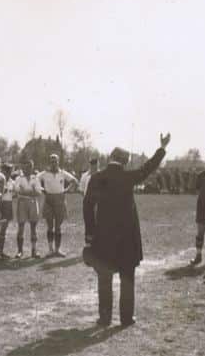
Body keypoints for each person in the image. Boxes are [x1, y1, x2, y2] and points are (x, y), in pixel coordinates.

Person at [83, 133, 170, 327]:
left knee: (104, 279)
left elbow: (87, 206)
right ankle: (126, 318)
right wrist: (162, 148)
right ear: (125, 161)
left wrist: (89, 234)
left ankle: (104, 317)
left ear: (110, 158)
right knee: (127, 278)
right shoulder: (128, 176)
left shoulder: (97, 177)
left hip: (103, 236)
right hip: (126, 237)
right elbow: (148, 168)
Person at [38, 154, 79, 257]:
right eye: (51, 161)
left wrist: (66, 190)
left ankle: (57, 250)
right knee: (50, 227)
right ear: (49, 163)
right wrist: (42, 189)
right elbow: (35, 180)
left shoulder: (62, 173)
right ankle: (50, 249)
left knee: (58, 227)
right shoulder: (44, 174)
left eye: (55, 161)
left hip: (60, 200)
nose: (53, 163)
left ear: (58, 162)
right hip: (49, 200)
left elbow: (75, 181)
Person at [14, 160, 42, 259]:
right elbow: (17, 191)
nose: (28, 169)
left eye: (30, 167)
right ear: (23, 168)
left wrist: (26, 192)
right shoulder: (18, 178)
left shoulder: (36, 178)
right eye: (26, 167)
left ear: (32, 167)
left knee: (33, 227)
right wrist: (31, 192)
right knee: (21, 227)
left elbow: (39, 192)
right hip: (22, 203)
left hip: (33, 203)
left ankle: (34, 250)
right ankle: (20, 251)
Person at [0, 164, 15, 259]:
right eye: (5, 171)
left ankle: (0, 251)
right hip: (0, 204)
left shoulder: (12, 182)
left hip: (8, 205)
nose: (7, 173)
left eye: (9, 171)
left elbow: (14, 193)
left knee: (3, 230)